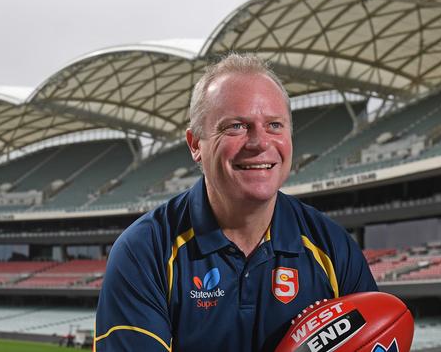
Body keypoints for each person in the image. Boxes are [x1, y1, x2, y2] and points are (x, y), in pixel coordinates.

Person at [94, 53, 378, 352]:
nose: (259, 142)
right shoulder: (144, 251)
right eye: (236, 126)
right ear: (195, 145)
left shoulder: (333, 246)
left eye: (274, 125)